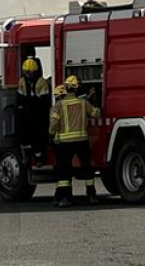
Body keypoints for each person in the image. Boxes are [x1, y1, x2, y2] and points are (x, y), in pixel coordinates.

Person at [48, 75, 101, 207]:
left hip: (65, 144)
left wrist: (51, 135)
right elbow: (96, 113)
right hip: (82, 141)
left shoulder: (59, 106)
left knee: (65, 171)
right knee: (87, 169)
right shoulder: (84, 103)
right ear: (77, 89)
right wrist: (97, 100)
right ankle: (91, 195)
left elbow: (54, 124)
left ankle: (66, 198)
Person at [16, 57, 51, 157]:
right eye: (25, 72)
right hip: (27, 113)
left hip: (39, 114)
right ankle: (27, 149)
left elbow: (44, 103)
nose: (27, 74)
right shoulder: (22, 81)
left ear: (35, 72)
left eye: (29, 72)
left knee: (39, 133)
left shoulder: (42, 82)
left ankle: (39, 154)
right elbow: (19, 99)